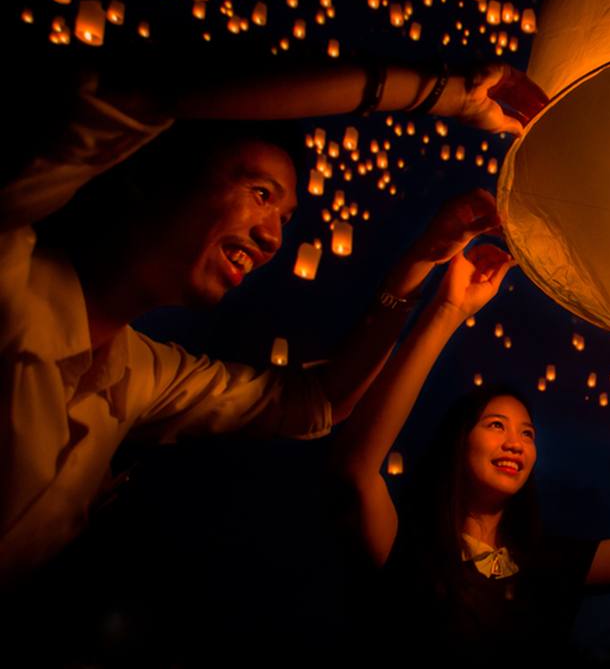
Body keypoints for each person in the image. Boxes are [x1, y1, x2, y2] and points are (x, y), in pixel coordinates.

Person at [0, 53, 546, 588]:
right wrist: (443, 92)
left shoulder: (138, 376)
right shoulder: (10, 266)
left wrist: (424, 258)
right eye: (260, 194)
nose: (273, 240)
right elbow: (138, 92)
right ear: (157, 172)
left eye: (284, 219)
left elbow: (320, 402)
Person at [331, 218, 610, 663]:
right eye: (497, 425)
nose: (516, 442)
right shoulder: (410, 550)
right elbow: (358, 467)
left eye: (527, 433)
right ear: (460, 442)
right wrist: (447, 311)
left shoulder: (546, 564)